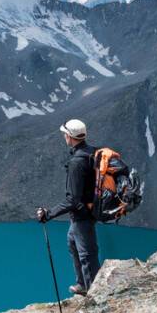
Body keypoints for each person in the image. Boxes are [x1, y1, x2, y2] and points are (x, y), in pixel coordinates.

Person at [36, 119, 100, 296]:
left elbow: (72, 199)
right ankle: (82, 284)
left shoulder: (77, 163)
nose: (64, 136)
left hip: (82, 215)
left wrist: (48, 214)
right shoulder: (92, 152)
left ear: (70, 137)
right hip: (89, 209)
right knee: (72, 242)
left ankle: (94, 296)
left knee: (87, 255)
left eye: (65, 134)